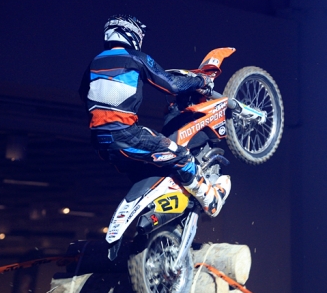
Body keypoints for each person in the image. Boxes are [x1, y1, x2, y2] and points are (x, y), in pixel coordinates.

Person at [78, 15, 231, 217]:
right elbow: (173, 85)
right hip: (127, 136)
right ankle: (210, 200)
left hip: (100, 144)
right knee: (182, 156)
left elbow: (84, 94)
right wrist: (201, 81)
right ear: (131, 33)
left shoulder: (95, 62)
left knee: (152, 173)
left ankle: (162, 214)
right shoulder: (135, 57)